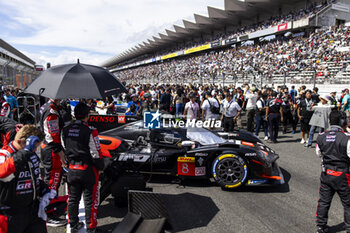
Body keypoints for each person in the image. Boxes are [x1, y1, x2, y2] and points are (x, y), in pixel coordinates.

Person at [0, 125, 57, 232]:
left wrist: (44, 190)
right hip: (10, 214)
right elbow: (1, 172)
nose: (35, 150)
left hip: (31, 211)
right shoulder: (5, 154)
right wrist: (24, 153)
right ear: (21, 141)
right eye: (34, 147)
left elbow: (33, 177)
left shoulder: (32, 155)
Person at [62, 103, 105, 233]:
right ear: (87, 116)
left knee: (73, 199)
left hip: (72, 169)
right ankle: (91, 228)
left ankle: (73, 225)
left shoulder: (65, 129)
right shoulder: (91, 130)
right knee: (90, 201)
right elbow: (95, 152)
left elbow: (64, 147)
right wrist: (101, 166)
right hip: (87, 169)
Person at [315, 111, 350, 233]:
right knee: (348, 203)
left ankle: (321, 226)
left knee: (324, 201)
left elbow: (318, 154)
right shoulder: (347, 137)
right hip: (343, 175)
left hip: (327, 173)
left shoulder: (321, 136)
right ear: (342, 121)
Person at [40, 99, 66, 192]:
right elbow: (52, 135)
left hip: (46, 146)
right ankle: (49, 203)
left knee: (49, 178)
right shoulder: (52, 111)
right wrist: (60, 153)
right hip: (52, 150)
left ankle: (48, 202)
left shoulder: (46, 106)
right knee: (53, 181)